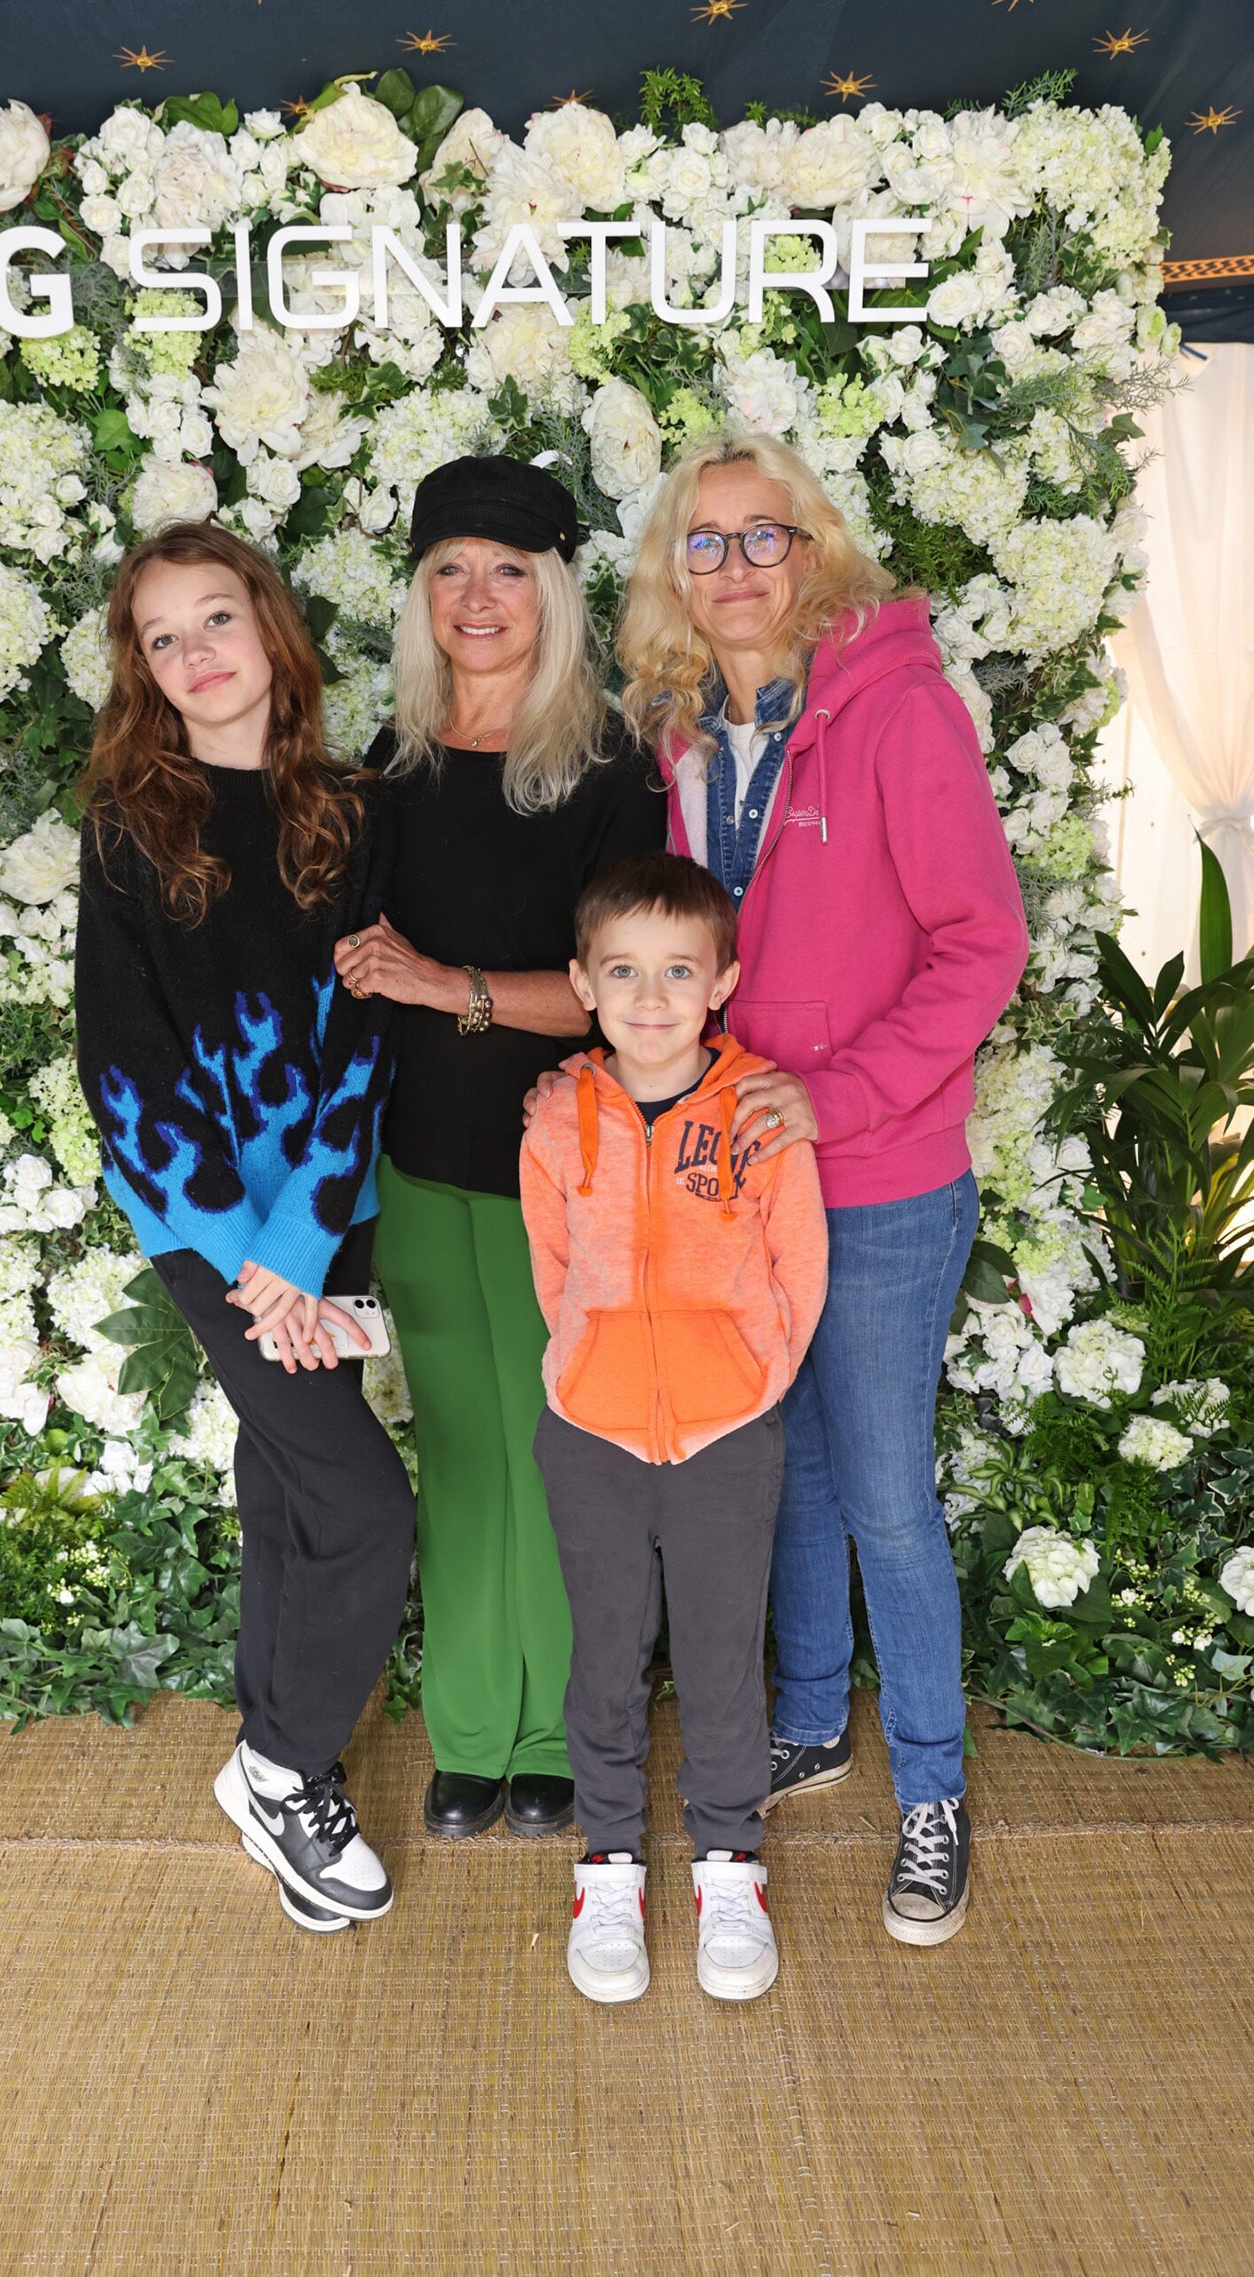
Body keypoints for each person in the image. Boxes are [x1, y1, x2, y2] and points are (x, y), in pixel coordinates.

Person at [620, 430, 1029, 1946]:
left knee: (881, 1489)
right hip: (740, 1172)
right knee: (778, 1460)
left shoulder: (897, 708)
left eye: (762, 536)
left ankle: (934, 1790)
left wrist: (839, 1096)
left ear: (815, 551)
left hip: (881, 1170)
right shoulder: (678, 729)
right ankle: (810, 1716)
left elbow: (981, 943)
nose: (733, 567)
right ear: (676, 571)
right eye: (703, 542)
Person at [75, 520, 415, 1937]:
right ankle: (278, 1770)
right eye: (164, 638)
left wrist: (305, 1242)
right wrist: (249, 1258)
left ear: (270, 629)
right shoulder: (130, 828)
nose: (196, 654)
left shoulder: (355, 810)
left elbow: (363, 1034)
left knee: (290, 1486)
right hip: (206, 1228)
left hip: (329, 1211)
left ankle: (281, 1750)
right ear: (144, 673)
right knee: (364, 1506)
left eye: (216, 619)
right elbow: (126, 1064)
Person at [334, 457, 666, 1840]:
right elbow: (349, 969)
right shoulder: (388, 765)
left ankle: (561, 1737)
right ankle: (472, 1735)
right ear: (421, 595)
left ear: (554, 591)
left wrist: (442, 985)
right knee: (462, 1447)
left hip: (563, 1172)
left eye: (508, 571)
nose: (479, 598)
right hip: (416, 1164)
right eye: (451, 570)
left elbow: (621, 986)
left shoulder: (607, 767)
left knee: (557, 1450)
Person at [522, 852, 827, 2003]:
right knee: (604, 1659)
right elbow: (556, 1276)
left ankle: (729, 1864)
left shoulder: (759, 1115)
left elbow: (799, 1267)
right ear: (584, 985)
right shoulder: (557, 1120)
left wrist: (745, 1384)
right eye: (624, 973)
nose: (651, 999)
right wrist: (595, 1378)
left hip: (726, 1439)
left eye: (678, 972)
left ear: (722, 982)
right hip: (590, 1434)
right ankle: (607, 1866)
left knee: (716, 1662)